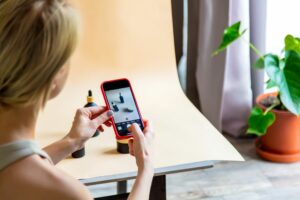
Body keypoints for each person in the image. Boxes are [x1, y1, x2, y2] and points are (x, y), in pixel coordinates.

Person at [0, 1, 154, 200]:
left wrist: (71, 141)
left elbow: (13, 163)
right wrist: (146, 167)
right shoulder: (67, 193)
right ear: (55, 74)